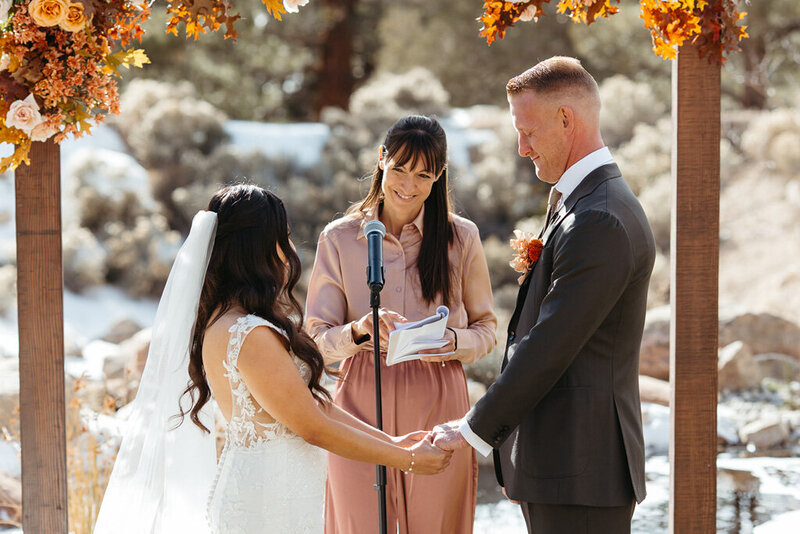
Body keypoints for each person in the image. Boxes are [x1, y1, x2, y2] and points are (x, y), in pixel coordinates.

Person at [94, 184, 452, 534]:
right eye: (283, 236)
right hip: (266, 503)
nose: (290, 249)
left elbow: (314, 404)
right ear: (258, 247)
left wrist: (398, 443)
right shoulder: (248, 334)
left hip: (276, 494)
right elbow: (310, 425)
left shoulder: (230, 321)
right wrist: (407, 461)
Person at [432, 57, 656, 534]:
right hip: (567, 465)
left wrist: (472, 429)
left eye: (528, 131)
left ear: (566, 120)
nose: (521, 147)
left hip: (581, 467)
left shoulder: (600, 218)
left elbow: (549, 346)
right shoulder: (589, 203)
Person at [305, 115, 497, 534]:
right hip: (358, 399)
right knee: (358, 524)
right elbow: (316, 338)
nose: (408, 185)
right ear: (381, 160)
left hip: (438, 398)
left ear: (439, 175)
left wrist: (450, 341)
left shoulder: (461, 238)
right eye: (400, 169)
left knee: (434, 526)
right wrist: (359, 331)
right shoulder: (339, 238)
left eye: (423, 174)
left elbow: (486, 330)